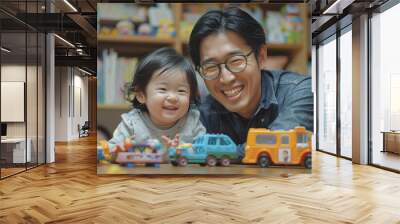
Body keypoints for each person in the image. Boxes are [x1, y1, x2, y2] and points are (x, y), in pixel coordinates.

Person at [188, 7, 313, 158]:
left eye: (236, 61)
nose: (226, 78)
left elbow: (280, 144)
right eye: (210, 67)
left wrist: (221, 153)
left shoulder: (301, 91)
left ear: (260, 57)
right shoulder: (204, 115)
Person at [108, 47, 206, 159]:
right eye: (163, 89)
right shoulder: (132, 123)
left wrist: (184, 151)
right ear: (141, 95)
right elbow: (110, 151)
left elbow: (204, 151)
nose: (173, 97)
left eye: (181, 91)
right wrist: (121, 150)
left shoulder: (192, 121)